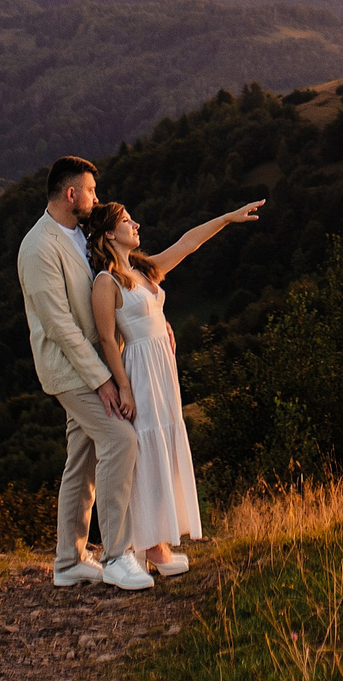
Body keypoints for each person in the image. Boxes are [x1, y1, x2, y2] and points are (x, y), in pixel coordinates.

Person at [82, 196, 262, 575]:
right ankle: (151, 547)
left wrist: (227, 217)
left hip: (163, 368)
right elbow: (106, 339)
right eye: (128, 221)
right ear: (110, 233)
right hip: (140, 371)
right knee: (146, 449)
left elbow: (188, 243)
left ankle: (158, 545)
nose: (137, 226)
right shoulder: (106, 281)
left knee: (163, 442)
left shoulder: (145, 271)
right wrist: (124, 388)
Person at [15, 156, 152, 591]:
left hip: (91, 366)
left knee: (83, 458)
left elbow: (116, 283)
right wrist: (103, 380)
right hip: (70, 371)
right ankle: (116, 555)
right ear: (71, 194)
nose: (96, 197)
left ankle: (69, 560)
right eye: (91, 190)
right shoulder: (38, 247)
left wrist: (152, 314)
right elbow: (59, 326)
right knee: (119, 439)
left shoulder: (80, 236)